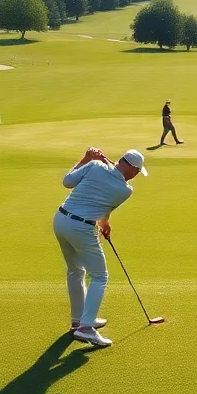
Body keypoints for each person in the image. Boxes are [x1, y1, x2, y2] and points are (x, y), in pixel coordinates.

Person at [54, 147, 148, 347]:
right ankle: (86, 328)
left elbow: (67, 182)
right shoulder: (125, 190)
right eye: (138, 172)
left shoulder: (94, 166)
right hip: (81, 227)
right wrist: (105, 225)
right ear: (132, 169)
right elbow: (103, 213)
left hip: (61, 220)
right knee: (100, 276)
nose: (137, 176)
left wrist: (86, 158)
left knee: (75, 271)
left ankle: (79, 320)